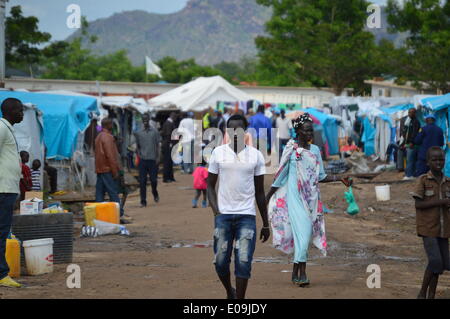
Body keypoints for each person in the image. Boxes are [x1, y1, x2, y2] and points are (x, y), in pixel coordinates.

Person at [266, 113, 351, 287]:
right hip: (294, 199)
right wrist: (267, 197)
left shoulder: (315, 151)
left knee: (302, 237)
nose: (310, 133)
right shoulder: (290, 149)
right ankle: (303, 273)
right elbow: (281, 175)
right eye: (306, 130)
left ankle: (295, 272)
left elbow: (320, 176)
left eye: (311, 130)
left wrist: (339, 178)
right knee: (304, 236)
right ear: (297, 131)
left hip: (311, 199)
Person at [207, 114, 270, 299]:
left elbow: (260, 192)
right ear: (227, 131)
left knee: (243, 261)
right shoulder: (218, 153)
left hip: (246, 217)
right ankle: (230, 291)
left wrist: (266, 223)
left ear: (246, 130)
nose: (235, 133)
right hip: (223, 216)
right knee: (220, 262)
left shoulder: (256, 155)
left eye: (239, 129)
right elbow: (210, 185)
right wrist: (216, 212)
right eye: (231, 129)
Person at [411, 146, 450, 299]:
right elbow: (418, 204)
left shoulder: (448, 182)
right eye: (434, 160)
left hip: (444, 229)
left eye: (441, 159)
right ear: (428, 162)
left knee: (443, 263)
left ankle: (431, 294)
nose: (438, 163)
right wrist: (442, 201)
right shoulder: (423, 180)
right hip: (428, 228)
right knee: (435, 261)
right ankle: (422, 293)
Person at [0, 97, 24, 288]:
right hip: (3, 189)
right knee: (1, 232)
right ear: (10, 111)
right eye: (20, 110)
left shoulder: (7, 128)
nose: (22, 114)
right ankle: (1, 274)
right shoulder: (1, 127)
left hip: (7, 189)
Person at [94, 118, 124, 219]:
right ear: (109, 125)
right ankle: (118, 213)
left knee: (99, 193)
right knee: (113, 192)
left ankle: (98, 214)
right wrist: (115, 171)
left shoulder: (98, 137)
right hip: (107, 169)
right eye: (111, 124)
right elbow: (110, 156)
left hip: (99, 169)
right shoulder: (108, 137)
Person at [135, 114, 161, 207]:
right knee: (142, 181)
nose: (145, 120)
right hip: (142, 160)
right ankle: (143, 200)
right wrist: (138, 155)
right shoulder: (138, 133)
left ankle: (155, 192)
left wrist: (158, 157)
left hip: (153, 160)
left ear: (149, 119)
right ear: (142, 120)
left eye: (146, 119)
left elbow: (158, 145)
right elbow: (137, 146)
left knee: (153, 180)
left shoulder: (154, 132)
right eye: (143, 119)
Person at [401, 108, 421, 180]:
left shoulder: (416, 122)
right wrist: (403, 142)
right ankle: (411, 174)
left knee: (410, 160)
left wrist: (412, 142)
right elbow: (405, 133)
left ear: (415, 113)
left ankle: (409, 175)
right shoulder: (409, 121)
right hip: (408, 143)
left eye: (411, 112)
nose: (409, 114)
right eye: (409, 112)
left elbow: (415, 133)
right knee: (410, 159)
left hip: (412, 144)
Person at [161, 112, 177, 183]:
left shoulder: (170, 123)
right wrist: (170, 143)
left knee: (170, 162)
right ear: (172, 116)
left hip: (169, 144)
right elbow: (168, 134)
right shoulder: (168, 123)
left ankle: (170, 177)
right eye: (175, 117)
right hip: (167, 145)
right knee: (167, 162)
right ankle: (166, 177)